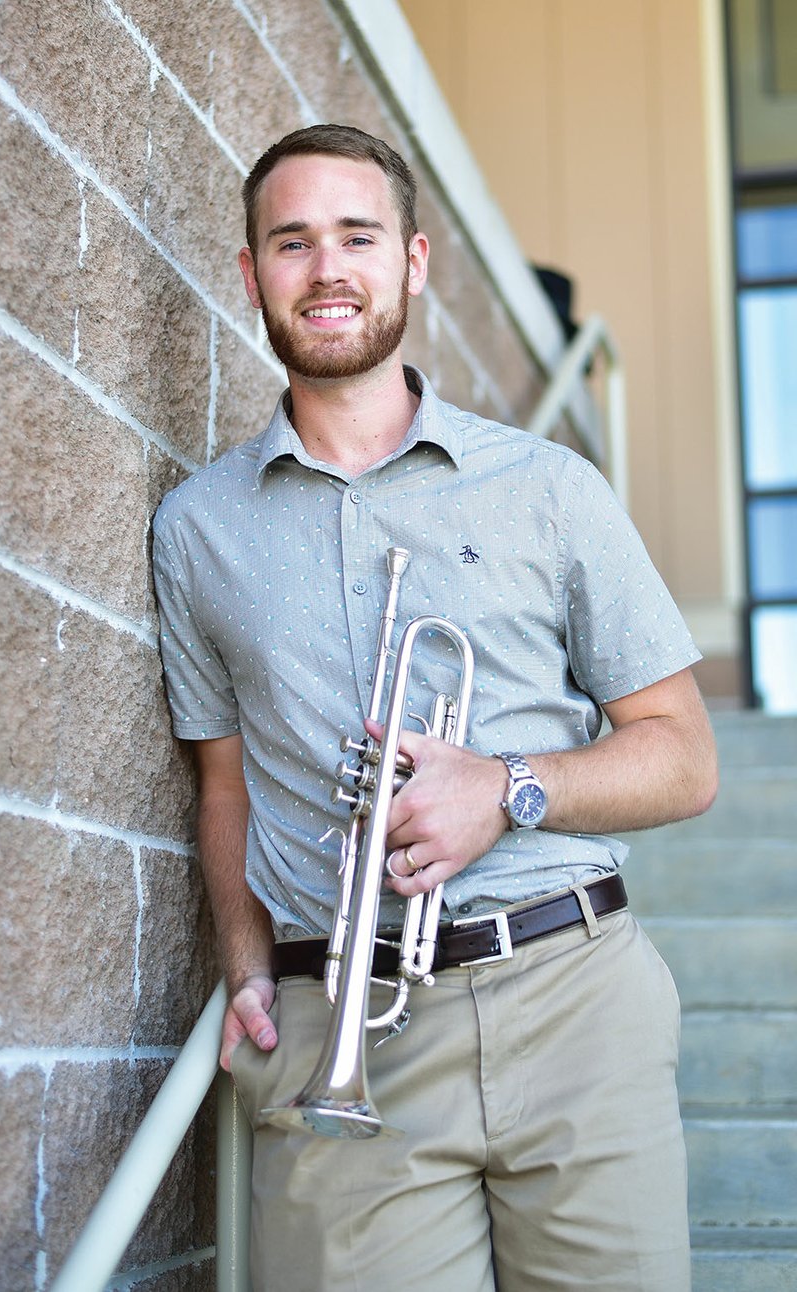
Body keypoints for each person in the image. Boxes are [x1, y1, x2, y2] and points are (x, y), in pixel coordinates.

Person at [152, 124, 718, 1292]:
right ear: (251, 272)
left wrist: (504, 788)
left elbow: (682, 758)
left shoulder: (548, 487)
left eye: (355, 236)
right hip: (339, 1018)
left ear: (411, 261)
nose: (326, 269)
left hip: (571, 997)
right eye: (291, 241)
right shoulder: (197, 528)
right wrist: (248, 967)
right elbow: (224, 781)